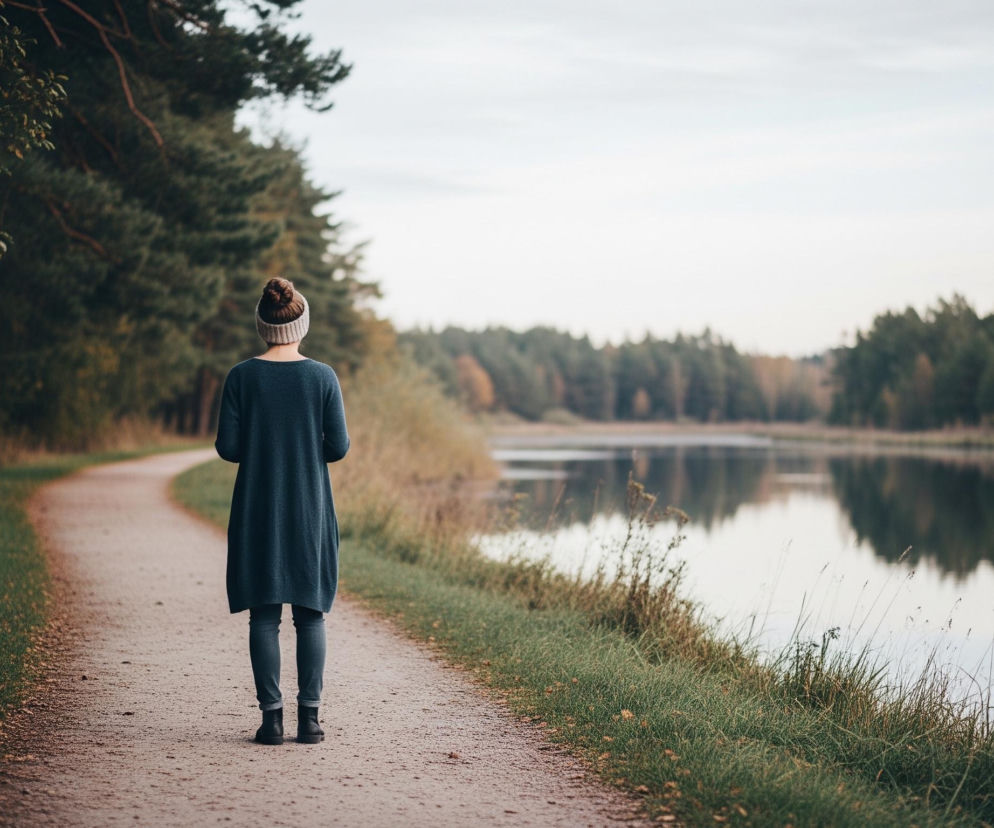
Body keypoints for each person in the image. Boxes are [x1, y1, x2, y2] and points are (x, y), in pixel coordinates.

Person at [214, 277, 350, 745]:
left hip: (257, 506)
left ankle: (271, 722)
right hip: (310, 506)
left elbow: (227, 447)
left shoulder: (241, 377)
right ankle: (309, 722)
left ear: (262, 325)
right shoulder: (322, 377)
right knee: (310, 614)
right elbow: (340, 447)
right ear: (300, 324)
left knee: (264, 617)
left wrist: (262, 443)